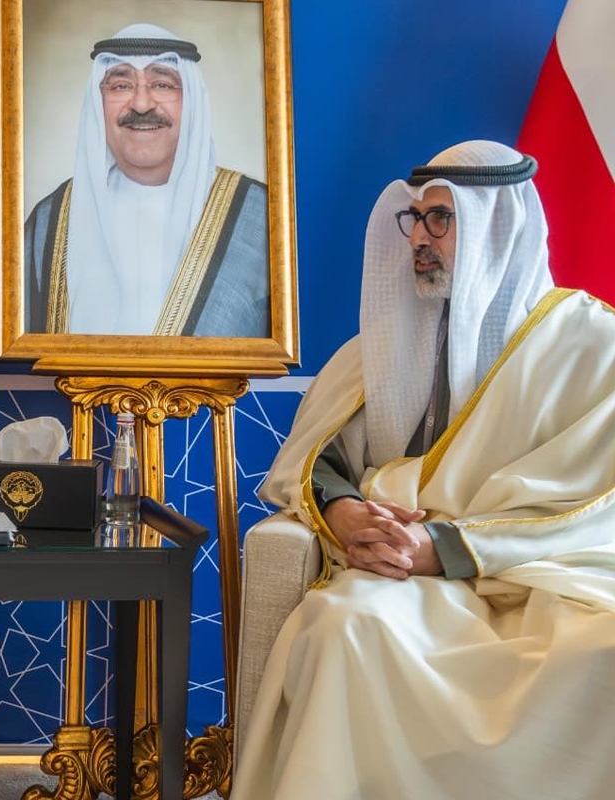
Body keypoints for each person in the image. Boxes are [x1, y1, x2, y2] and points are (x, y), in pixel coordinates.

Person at [231, 140, 615, 799]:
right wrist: (347, 515)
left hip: (541, 574)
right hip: (401, 577)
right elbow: (320, 460)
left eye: (441, 219)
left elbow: (597, 502)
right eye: (415, 219)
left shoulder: (593, 346)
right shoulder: (378, 346)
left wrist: (447, 547)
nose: (419, 239)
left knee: (597, 650)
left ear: (499, 225)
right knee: (345, 627)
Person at [24, 23, 269, 336]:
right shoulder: (51, 221)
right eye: (121, 86)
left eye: (162, 84)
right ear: (98, 102)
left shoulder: (259, 216)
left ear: (191, 100)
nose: (141, 104)